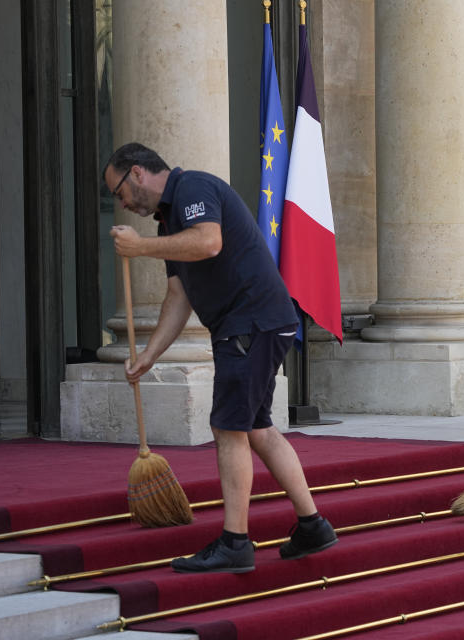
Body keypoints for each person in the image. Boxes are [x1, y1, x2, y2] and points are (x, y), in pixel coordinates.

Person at [103, 142, 337, 573]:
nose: (121, 203)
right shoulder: (169, 221)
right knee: (258, 429)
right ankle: (313, 526)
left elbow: (208, 242)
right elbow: (179, 296)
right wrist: (149, 356)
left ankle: (235, 542)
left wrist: (139, 250)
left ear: (136, 173)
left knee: (228, 427)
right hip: (256, 322)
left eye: (117, 191)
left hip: (249, 322)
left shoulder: (192, 187)